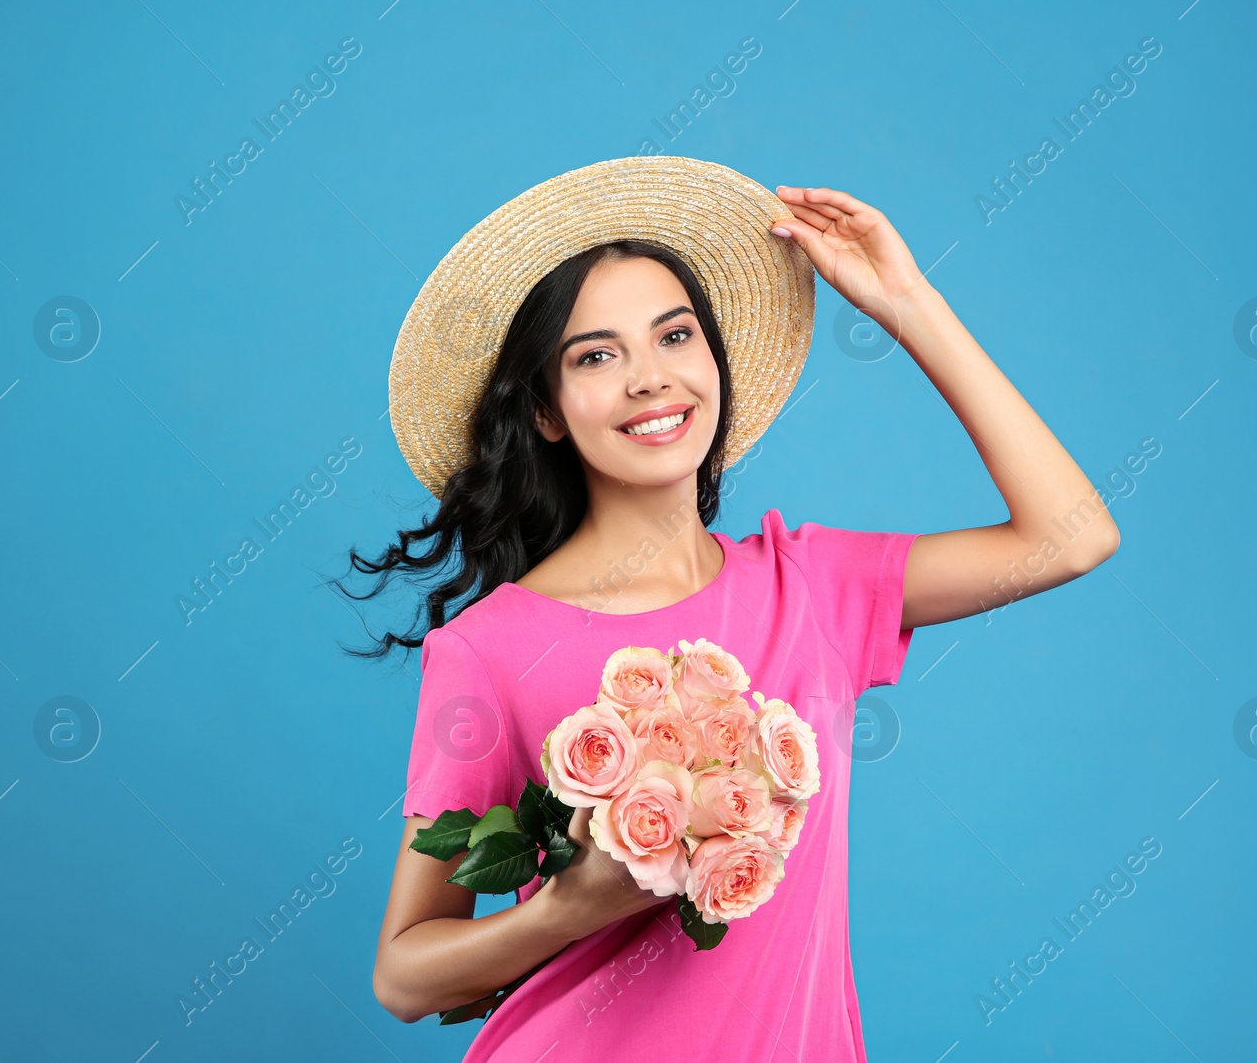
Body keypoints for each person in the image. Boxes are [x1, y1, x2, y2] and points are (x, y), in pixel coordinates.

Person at [345, 155, 1120, 1059]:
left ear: (714, 360)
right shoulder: (490, 647)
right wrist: (571, 905)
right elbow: (404, 975)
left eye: (675, 337)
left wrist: (908, 303)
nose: (649, 378)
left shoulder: (814, 587)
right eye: (596, 355)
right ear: (549, 411)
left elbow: (1071, 536)